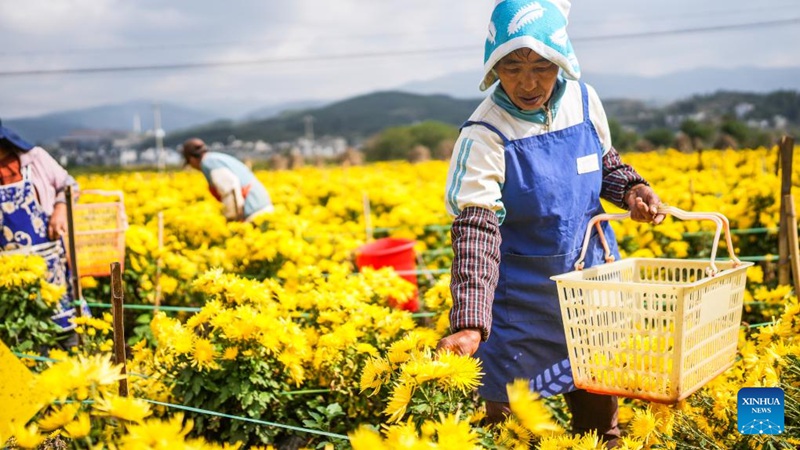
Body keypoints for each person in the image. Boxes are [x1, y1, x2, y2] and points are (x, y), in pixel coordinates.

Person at [435, 1, 665, 447]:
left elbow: (602, 163)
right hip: (519, 303)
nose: (528, 82)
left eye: (542, 66)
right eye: (512, 66)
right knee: (512, 429)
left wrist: (631, 189)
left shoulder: (584, 100)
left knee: (601, 424)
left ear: (562, 61)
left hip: (590, 294)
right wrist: (470, 322)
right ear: (493, 68)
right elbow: (476, 233)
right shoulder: (485, 135)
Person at [0, 120, 88, 337]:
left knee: (65, 329)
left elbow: (69, 185)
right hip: (6, 273)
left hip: (47, 262)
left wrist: (60, 209)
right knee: (19, 336)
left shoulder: (33, 159)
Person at [181, 138, 274, 222]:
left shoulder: (209, 164)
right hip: (262, 205)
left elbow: (230, 188)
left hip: (253, 212)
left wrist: (231, 218)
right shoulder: (216, 158)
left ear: (192, 159)